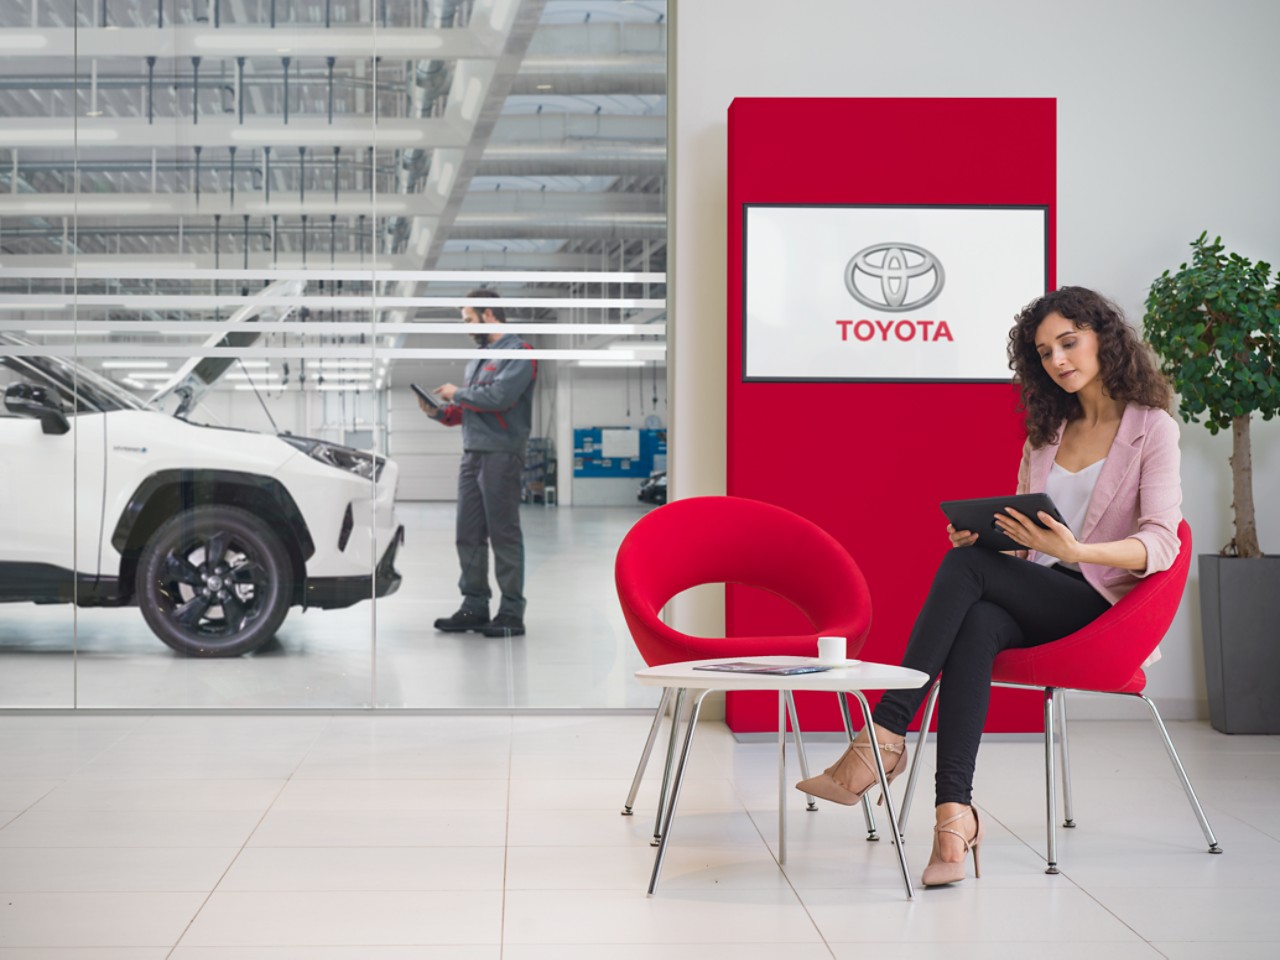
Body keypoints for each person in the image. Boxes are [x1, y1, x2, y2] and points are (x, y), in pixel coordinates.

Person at [797, 286, 1181, 886]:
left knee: (964, 576)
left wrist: (1077, 551)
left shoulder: (1151, 428)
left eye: (1069, 342)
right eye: (1045, 351)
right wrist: (989, 541)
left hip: (1100, 607)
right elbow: (1031, 541)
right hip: (1042, 593)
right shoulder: (1046, 435)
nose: (1058, 360)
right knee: (974, 614)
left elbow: (1161, 542)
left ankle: (884, 737)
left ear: (1104, 337)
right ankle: (955, 816)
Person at [420, 289, 536, 638]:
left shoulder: (521, 353)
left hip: (502, 453)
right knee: (468, 533)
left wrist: (457, 393)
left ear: (488, 315)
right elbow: (472, 408)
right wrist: (441, 412)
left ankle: (512, 612)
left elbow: (500, 398)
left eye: (469, 320)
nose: (467, 328)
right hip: (472, 454)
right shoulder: (478, 358)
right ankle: (474, 606)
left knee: (503, 533)